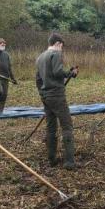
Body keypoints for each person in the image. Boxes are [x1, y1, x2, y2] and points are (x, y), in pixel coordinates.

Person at [35, 33, 78, 170]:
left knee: (51, 127)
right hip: (57, 96)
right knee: (67, 126)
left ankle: (51, 158)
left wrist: (42, 94)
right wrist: (70, 73)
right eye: (62, 46)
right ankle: (70, 162)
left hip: (46, 96)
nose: (62, 49)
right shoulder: (56, 54)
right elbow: (58, 72)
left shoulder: (40, 57)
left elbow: (38, 80)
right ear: (58, 44)